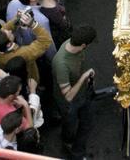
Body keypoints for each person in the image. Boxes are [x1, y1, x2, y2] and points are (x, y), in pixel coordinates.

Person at [51, 23, 97, 160]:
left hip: (82, 93)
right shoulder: (61, 64)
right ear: (83, 45)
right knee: (70, 125)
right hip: (69, 103)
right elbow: (69, 96)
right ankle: (69, 145)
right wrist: (84, 77)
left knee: (85, 118)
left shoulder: (73, 45)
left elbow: (80, 64)